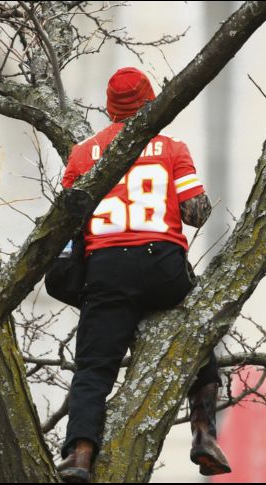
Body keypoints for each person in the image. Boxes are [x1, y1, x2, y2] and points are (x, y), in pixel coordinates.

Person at [56, 67, 231, 482]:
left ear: (108, 107)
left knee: (94, 368)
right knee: (199, 337)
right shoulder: (171, 147)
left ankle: (79, 455)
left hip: (107, 267)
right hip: (162, 266)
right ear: (152, 103)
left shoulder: (83, 154)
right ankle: (204, 433)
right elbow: (195, 212)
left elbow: (65, 218)